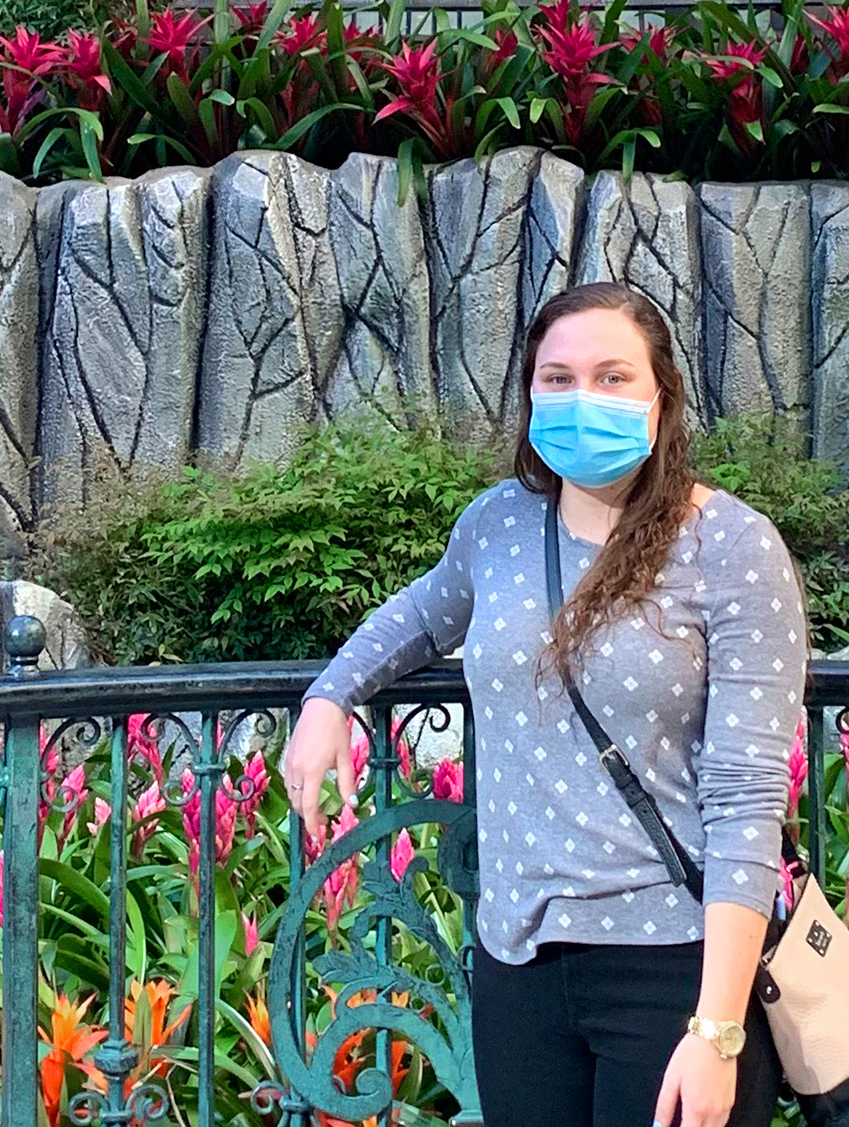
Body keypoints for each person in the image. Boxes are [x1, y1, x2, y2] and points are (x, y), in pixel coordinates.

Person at [284, 281, 807, 1127]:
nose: (581, 399)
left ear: (661, 398)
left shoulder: (733, 547)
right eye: (556, 379)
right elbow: (421, 616)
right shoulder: (498, 524)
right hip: (517, 958)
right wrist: (330, 695)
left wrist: (716, 1030)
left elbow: (746, 794)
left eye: (611, 377)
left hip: (671, 963)